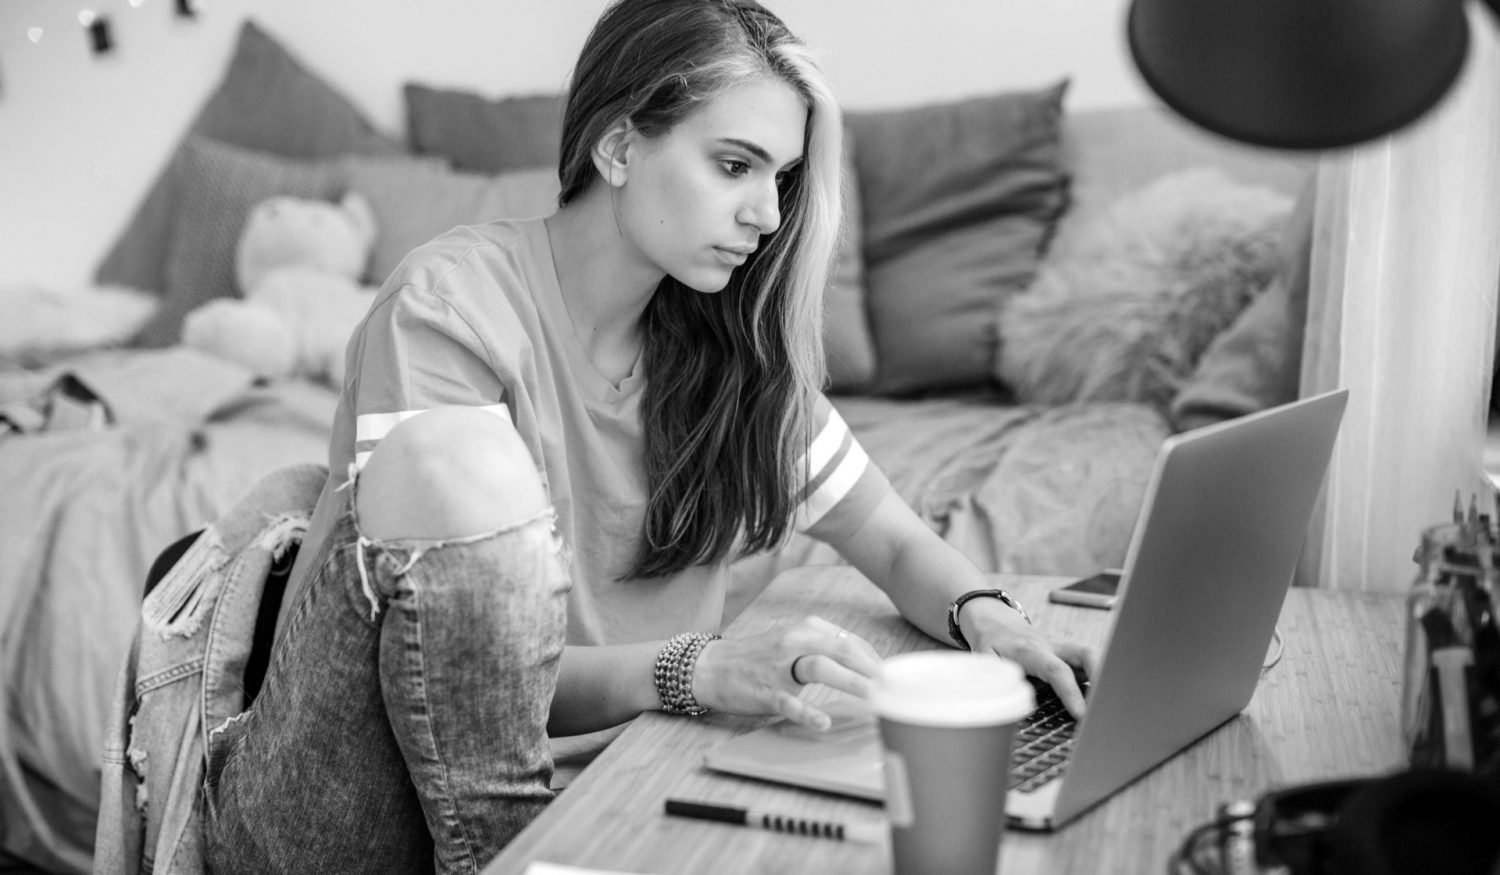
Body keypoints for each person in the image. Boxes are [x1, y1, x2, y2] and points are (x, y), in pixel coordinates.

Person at [201, 1, 1094, 872]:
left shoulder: (726, 356)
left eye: (780, 179)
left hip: (612, 783)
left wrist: (992, 622)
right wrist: (696, 669)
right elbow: (453, 680)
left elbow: (892, 538)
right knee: (457, 465)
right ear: (620, 145)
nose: (768, 217)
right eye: (735, 165)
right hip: (354, 809)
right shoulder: (449, 308)